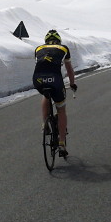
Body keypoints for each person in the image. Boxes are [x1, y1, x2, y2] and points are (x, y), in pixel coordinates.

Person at [33, 29, 77, 157]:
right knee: (61, 109)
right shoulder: (63, 48)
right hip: (55, 80)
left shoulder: (38, 48)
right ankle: (62, 143)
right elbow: (69, 69)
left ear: (46, 41)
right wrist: (72, 83)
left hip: (38, 79)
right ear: (59, 41)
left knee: (45, 94)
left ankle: (44, 123)